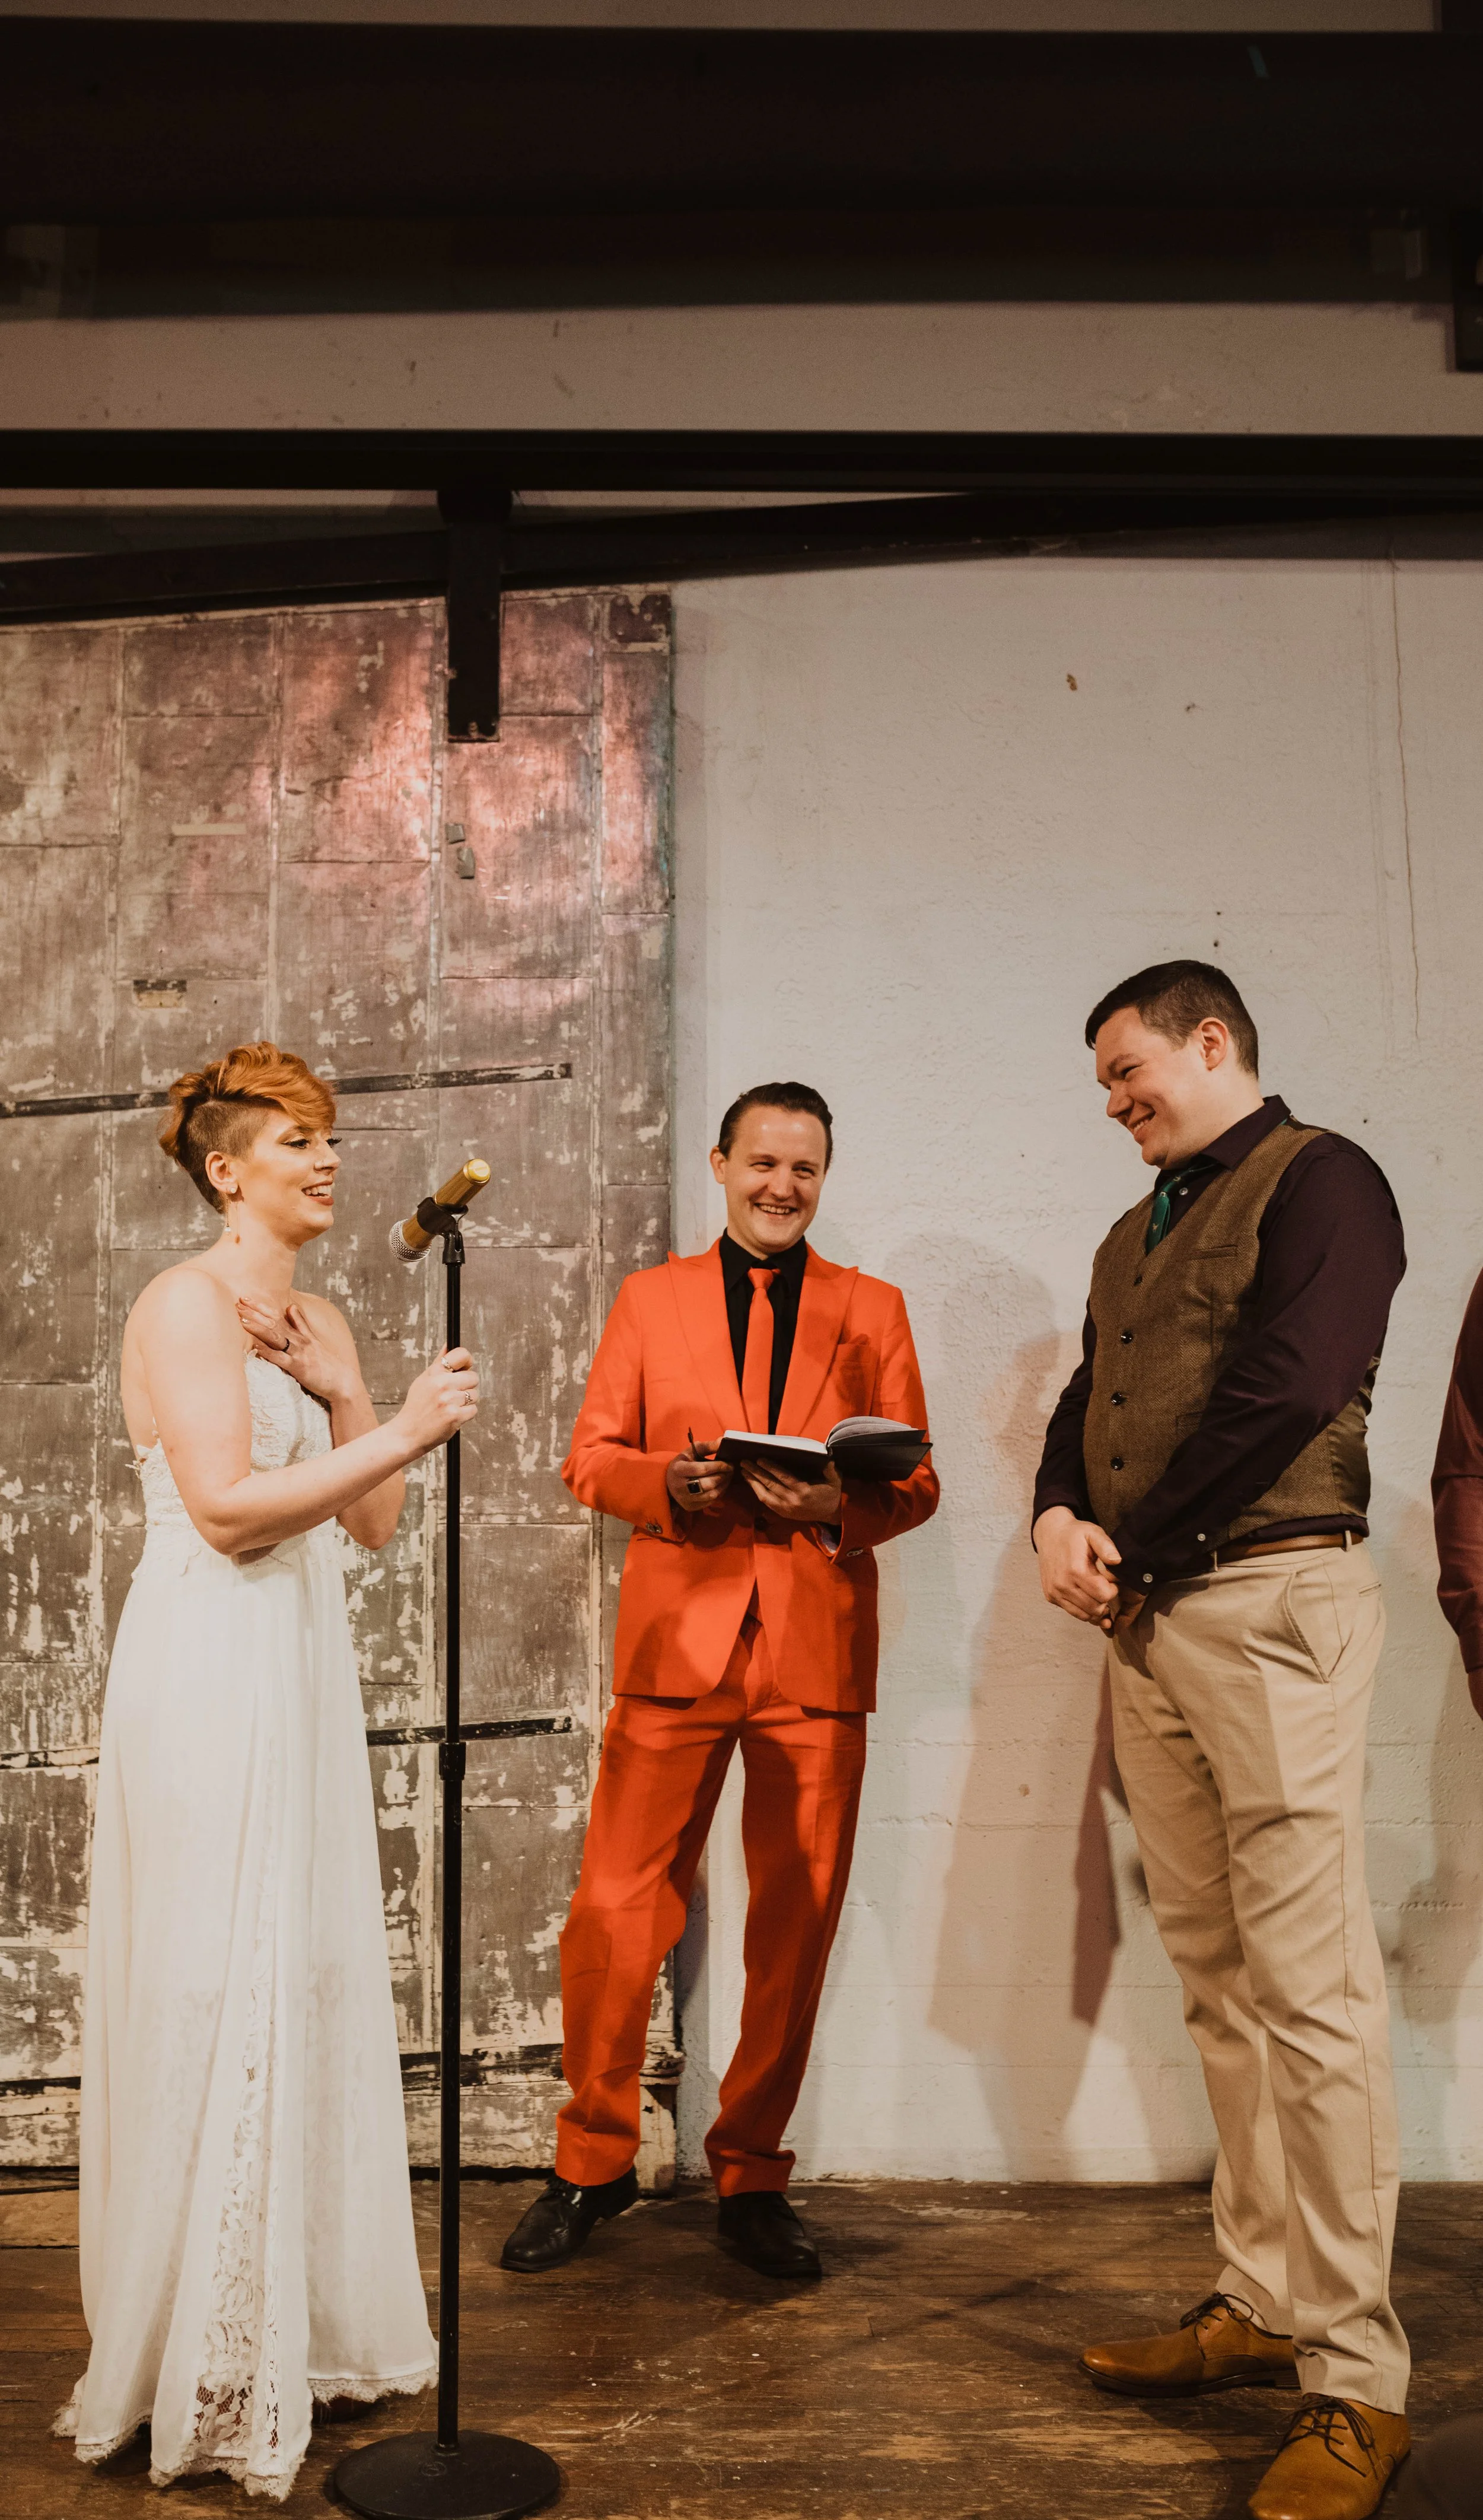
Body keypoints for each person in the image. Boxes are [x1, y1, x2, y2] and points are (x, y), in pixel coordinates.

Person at [56, 1043, 479, 2502]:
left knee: (290, 1975)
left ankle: (274, 2322)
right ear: (228, 1168)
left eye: (331, 1136)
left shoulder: (317, 1313)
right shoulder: (182, 1303)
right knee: (205, 1977)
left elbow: (365, 1533)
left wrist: (362, 1395)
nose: (327, 1158)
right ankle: (190, 2345)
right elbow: (231, 1514)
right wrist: (419, 1424)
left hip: (294, 1674)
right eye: (298, 1139)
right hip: (208, 1669)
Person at [1033, 963, 1411, 2520]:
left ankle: (1354, 2380)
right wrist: (1057, 1510)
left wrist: (1145, 1543)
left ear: (1212, 1041)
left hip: (1268, 1606)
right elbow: (1087, 1390)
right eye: (1102, 1086)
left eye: (1130, 1070)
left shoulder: (1324, 1181)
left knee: (1312, 1991)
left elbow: (1292, 1386)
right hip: (1155, 1623)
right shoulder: (1137, 1231)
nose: (1116, 1102)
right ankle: (1260, 2304)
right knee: (1219, 1982)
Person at [499, 1081, 938, 2280]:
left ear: (821, 1180)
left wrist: (837, 1502)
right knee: (612, 1918)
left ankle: (751, 2175)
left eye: (804, 1169)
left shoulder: (873, 1309)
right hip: (676, 1648)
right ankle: (589, 2165)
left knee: (792, 1931)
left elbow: (915, 1482)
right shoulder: (651, 1301)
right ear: (719, 1164)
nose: (781, 1187)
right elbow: (589, 1459)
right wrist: (671, 1486)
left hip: (813, 1653)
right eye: (762, 1163)